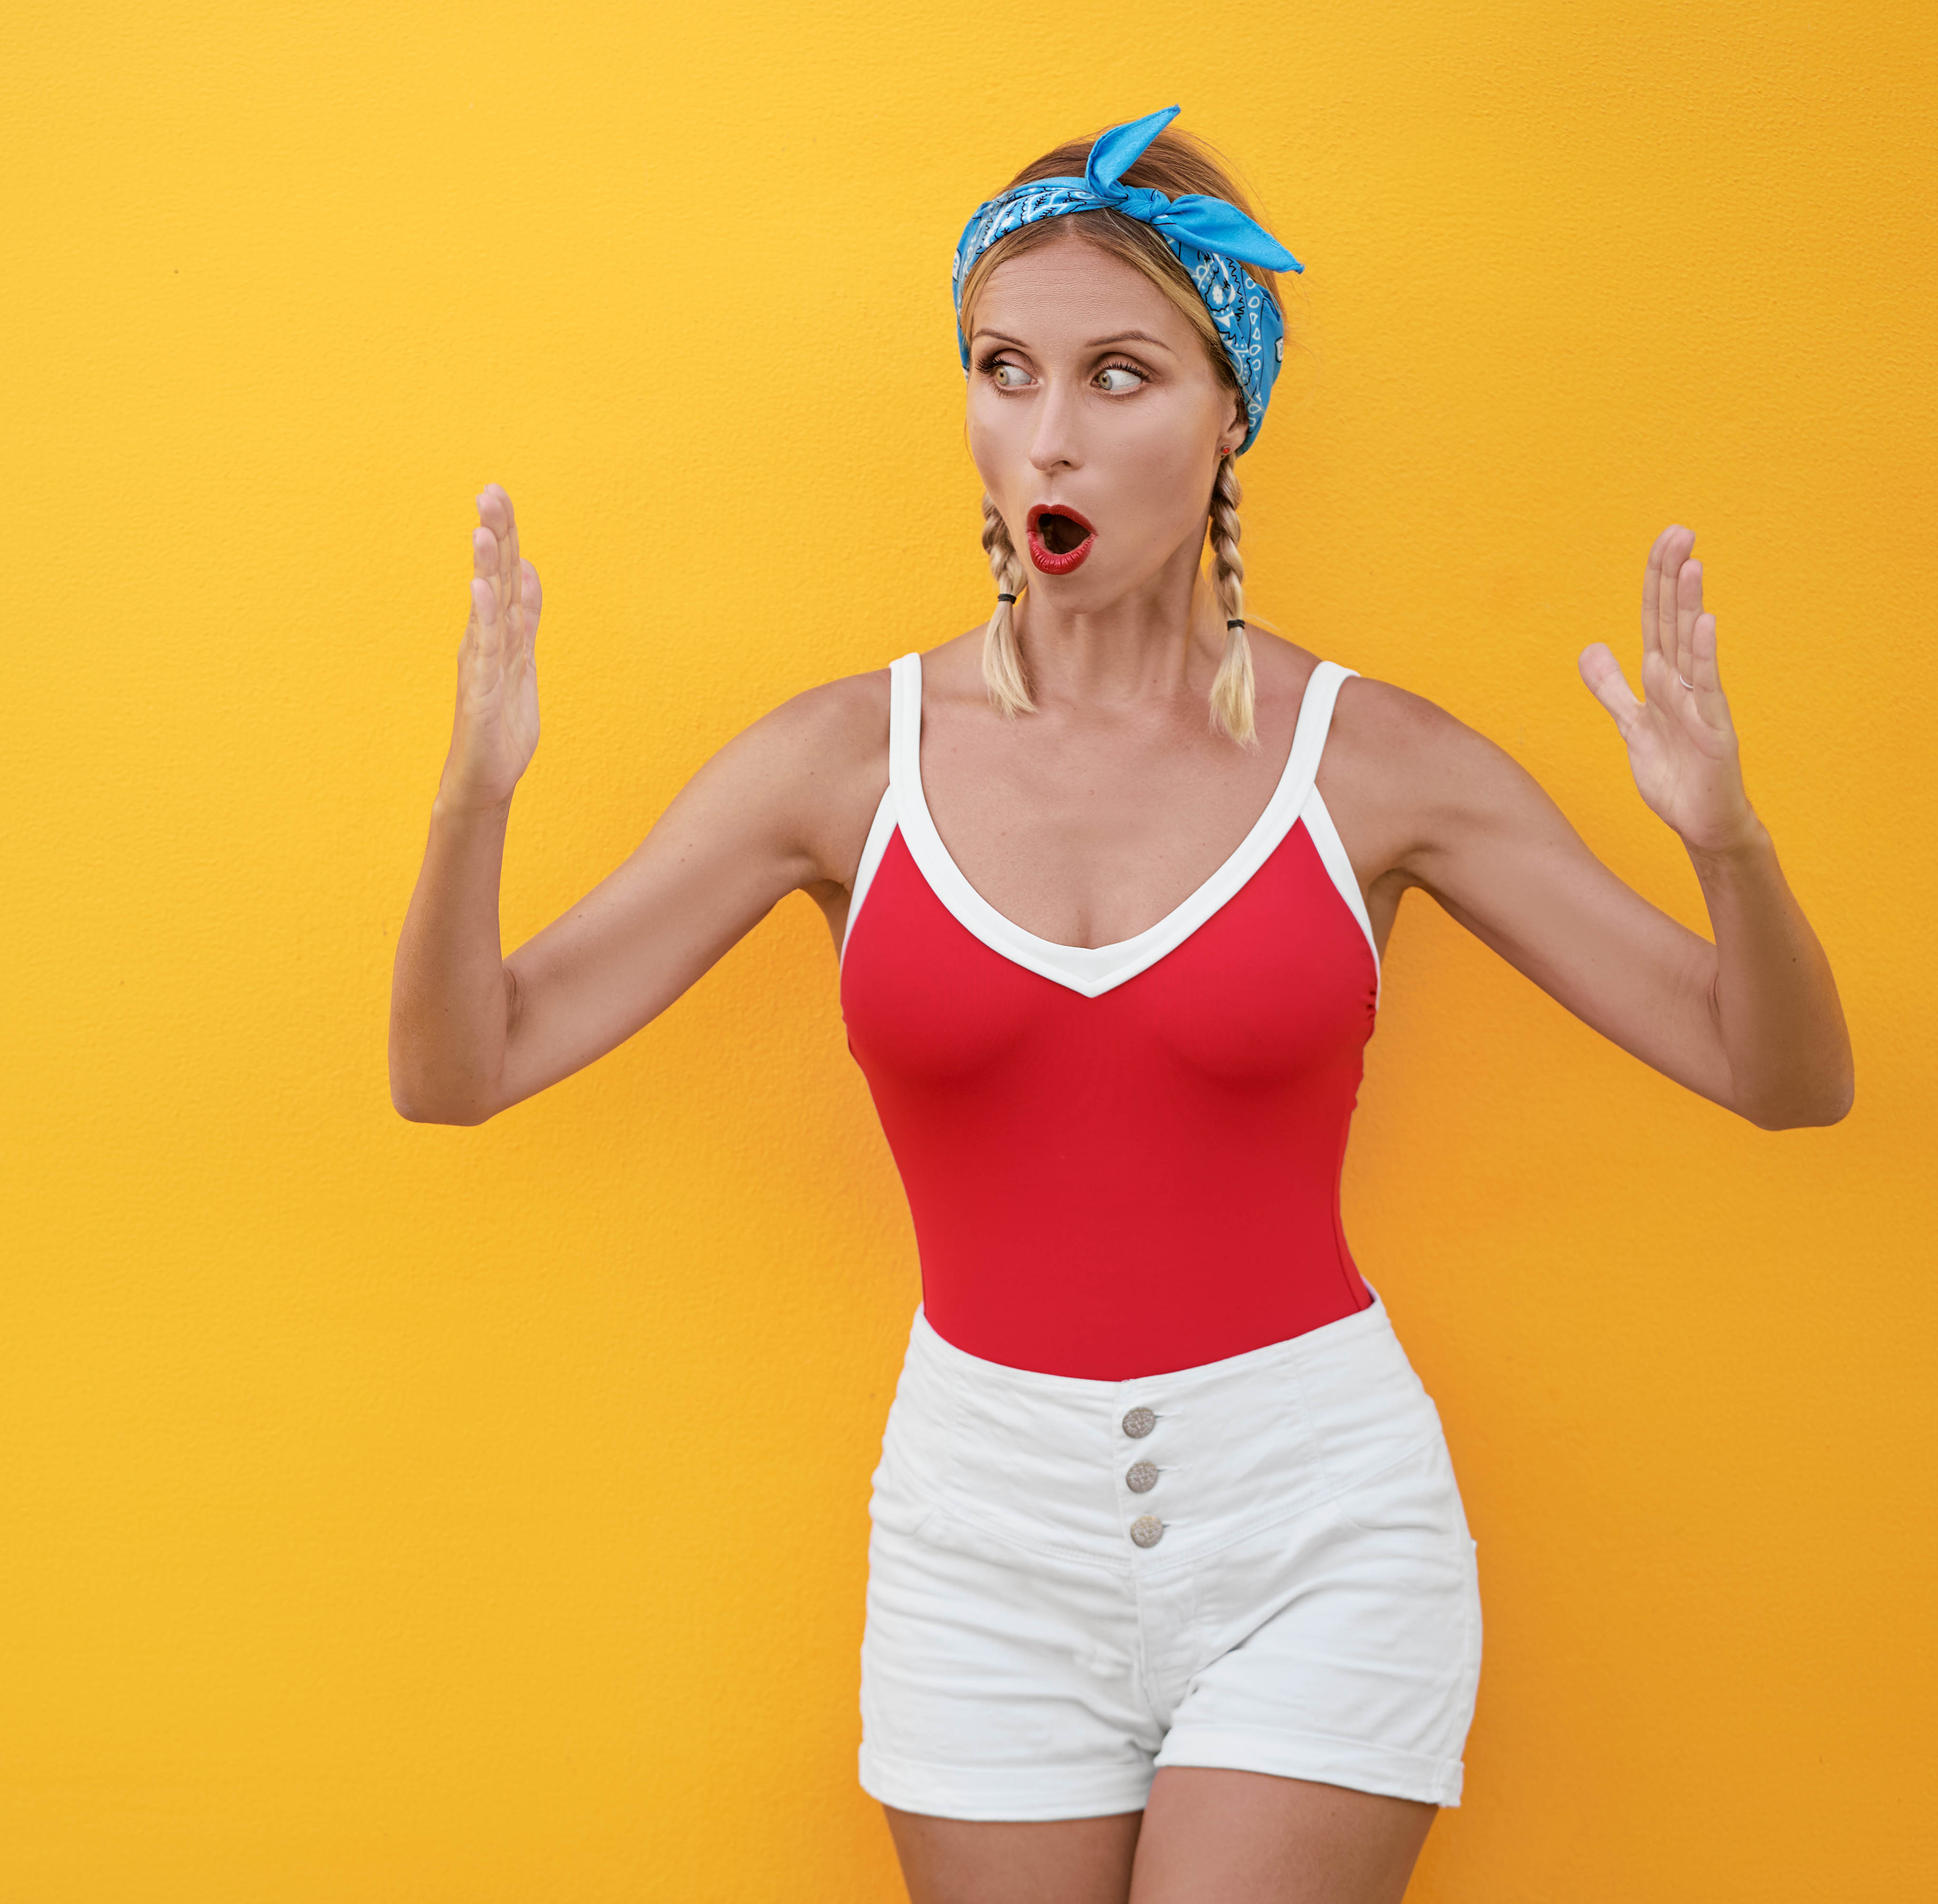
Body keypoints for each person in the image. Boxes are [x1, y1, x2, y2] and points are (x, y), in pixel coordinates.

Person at [387, 105, 1852, 1904]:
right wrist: (474, 801)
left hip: (1314, 1517)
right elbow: (467, 1068)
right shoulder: (841, 763)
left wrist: (1731, 843)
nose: (1050, 435)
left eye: (1122, 374)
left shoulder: (1374, 762)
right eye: (1005, 370)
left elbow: (1777, 1075)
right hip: (980, 1535)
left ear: (1232, 413)